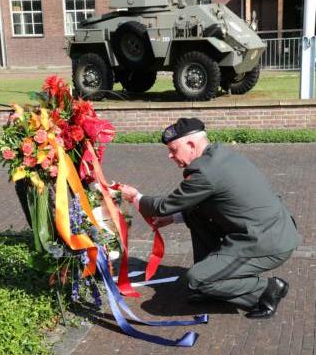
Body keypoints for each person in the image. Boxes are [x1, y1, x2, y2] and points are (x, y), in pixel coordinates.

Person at [120, 118, 300, 319]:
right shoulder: (221, 156)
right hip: (267, 230)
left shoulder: (206, 171)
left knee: (195, 279)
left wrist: (135, 197)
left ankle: (266, 290)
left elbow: (163, 206)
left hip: (267, 242)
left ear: (191, 145)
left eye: (173, 149)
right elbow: (202, 202)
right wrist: (174, 218)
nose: (170, 155)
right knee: (194, 214)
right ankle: (212, 283)